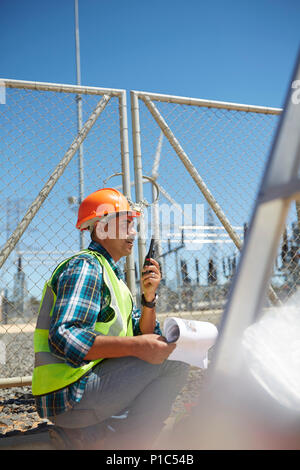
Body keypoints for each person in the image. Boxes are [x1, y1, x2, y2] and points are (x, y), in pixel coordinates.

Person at [32, 188, 189, 450]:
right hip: (70, 395)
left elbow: (143, 334)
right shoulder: (86, 266)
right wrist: (139, 347)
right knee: (175, 363)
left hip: (84, 391)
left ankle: (109, 434)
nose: (133, 233)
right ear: (103, 226)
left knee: (169, 355)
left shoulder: (114, 277)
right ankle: (122, 440)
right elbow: (65, 336)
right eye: (127, 224)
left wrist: (148, 298)